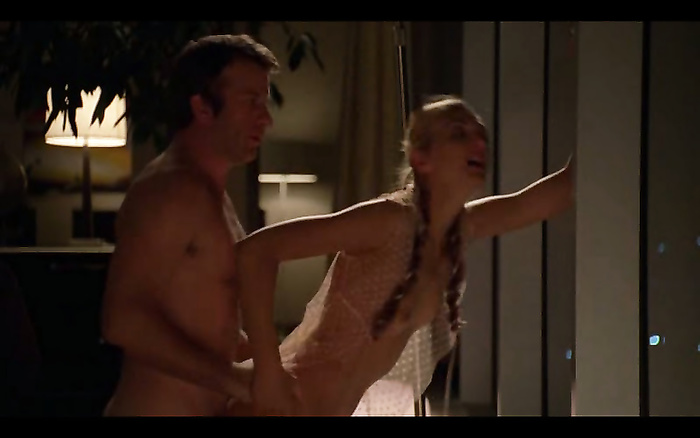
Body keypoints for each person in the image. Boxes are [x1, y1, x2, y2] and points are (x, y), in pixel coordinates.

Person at [231, 94, 574, 416]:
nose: (479, 144)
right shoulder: (388, 221)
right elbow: (256, 251)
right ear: (421, 159)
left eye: (481, 135)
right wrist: (268, 372)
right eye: (459, 134)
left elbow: (548, 197)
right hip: (280, 406)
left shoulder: (454, 230)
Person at [99, 34, 280, 416]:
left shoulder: (211, 194)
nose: (265, 118)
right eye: (251, 102)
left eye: (264, 102)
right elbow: (123, 320)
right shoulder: (171, 190)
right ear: (202, 107)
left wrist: (269, 363)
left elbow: (206, 319)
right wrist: (235, 379)